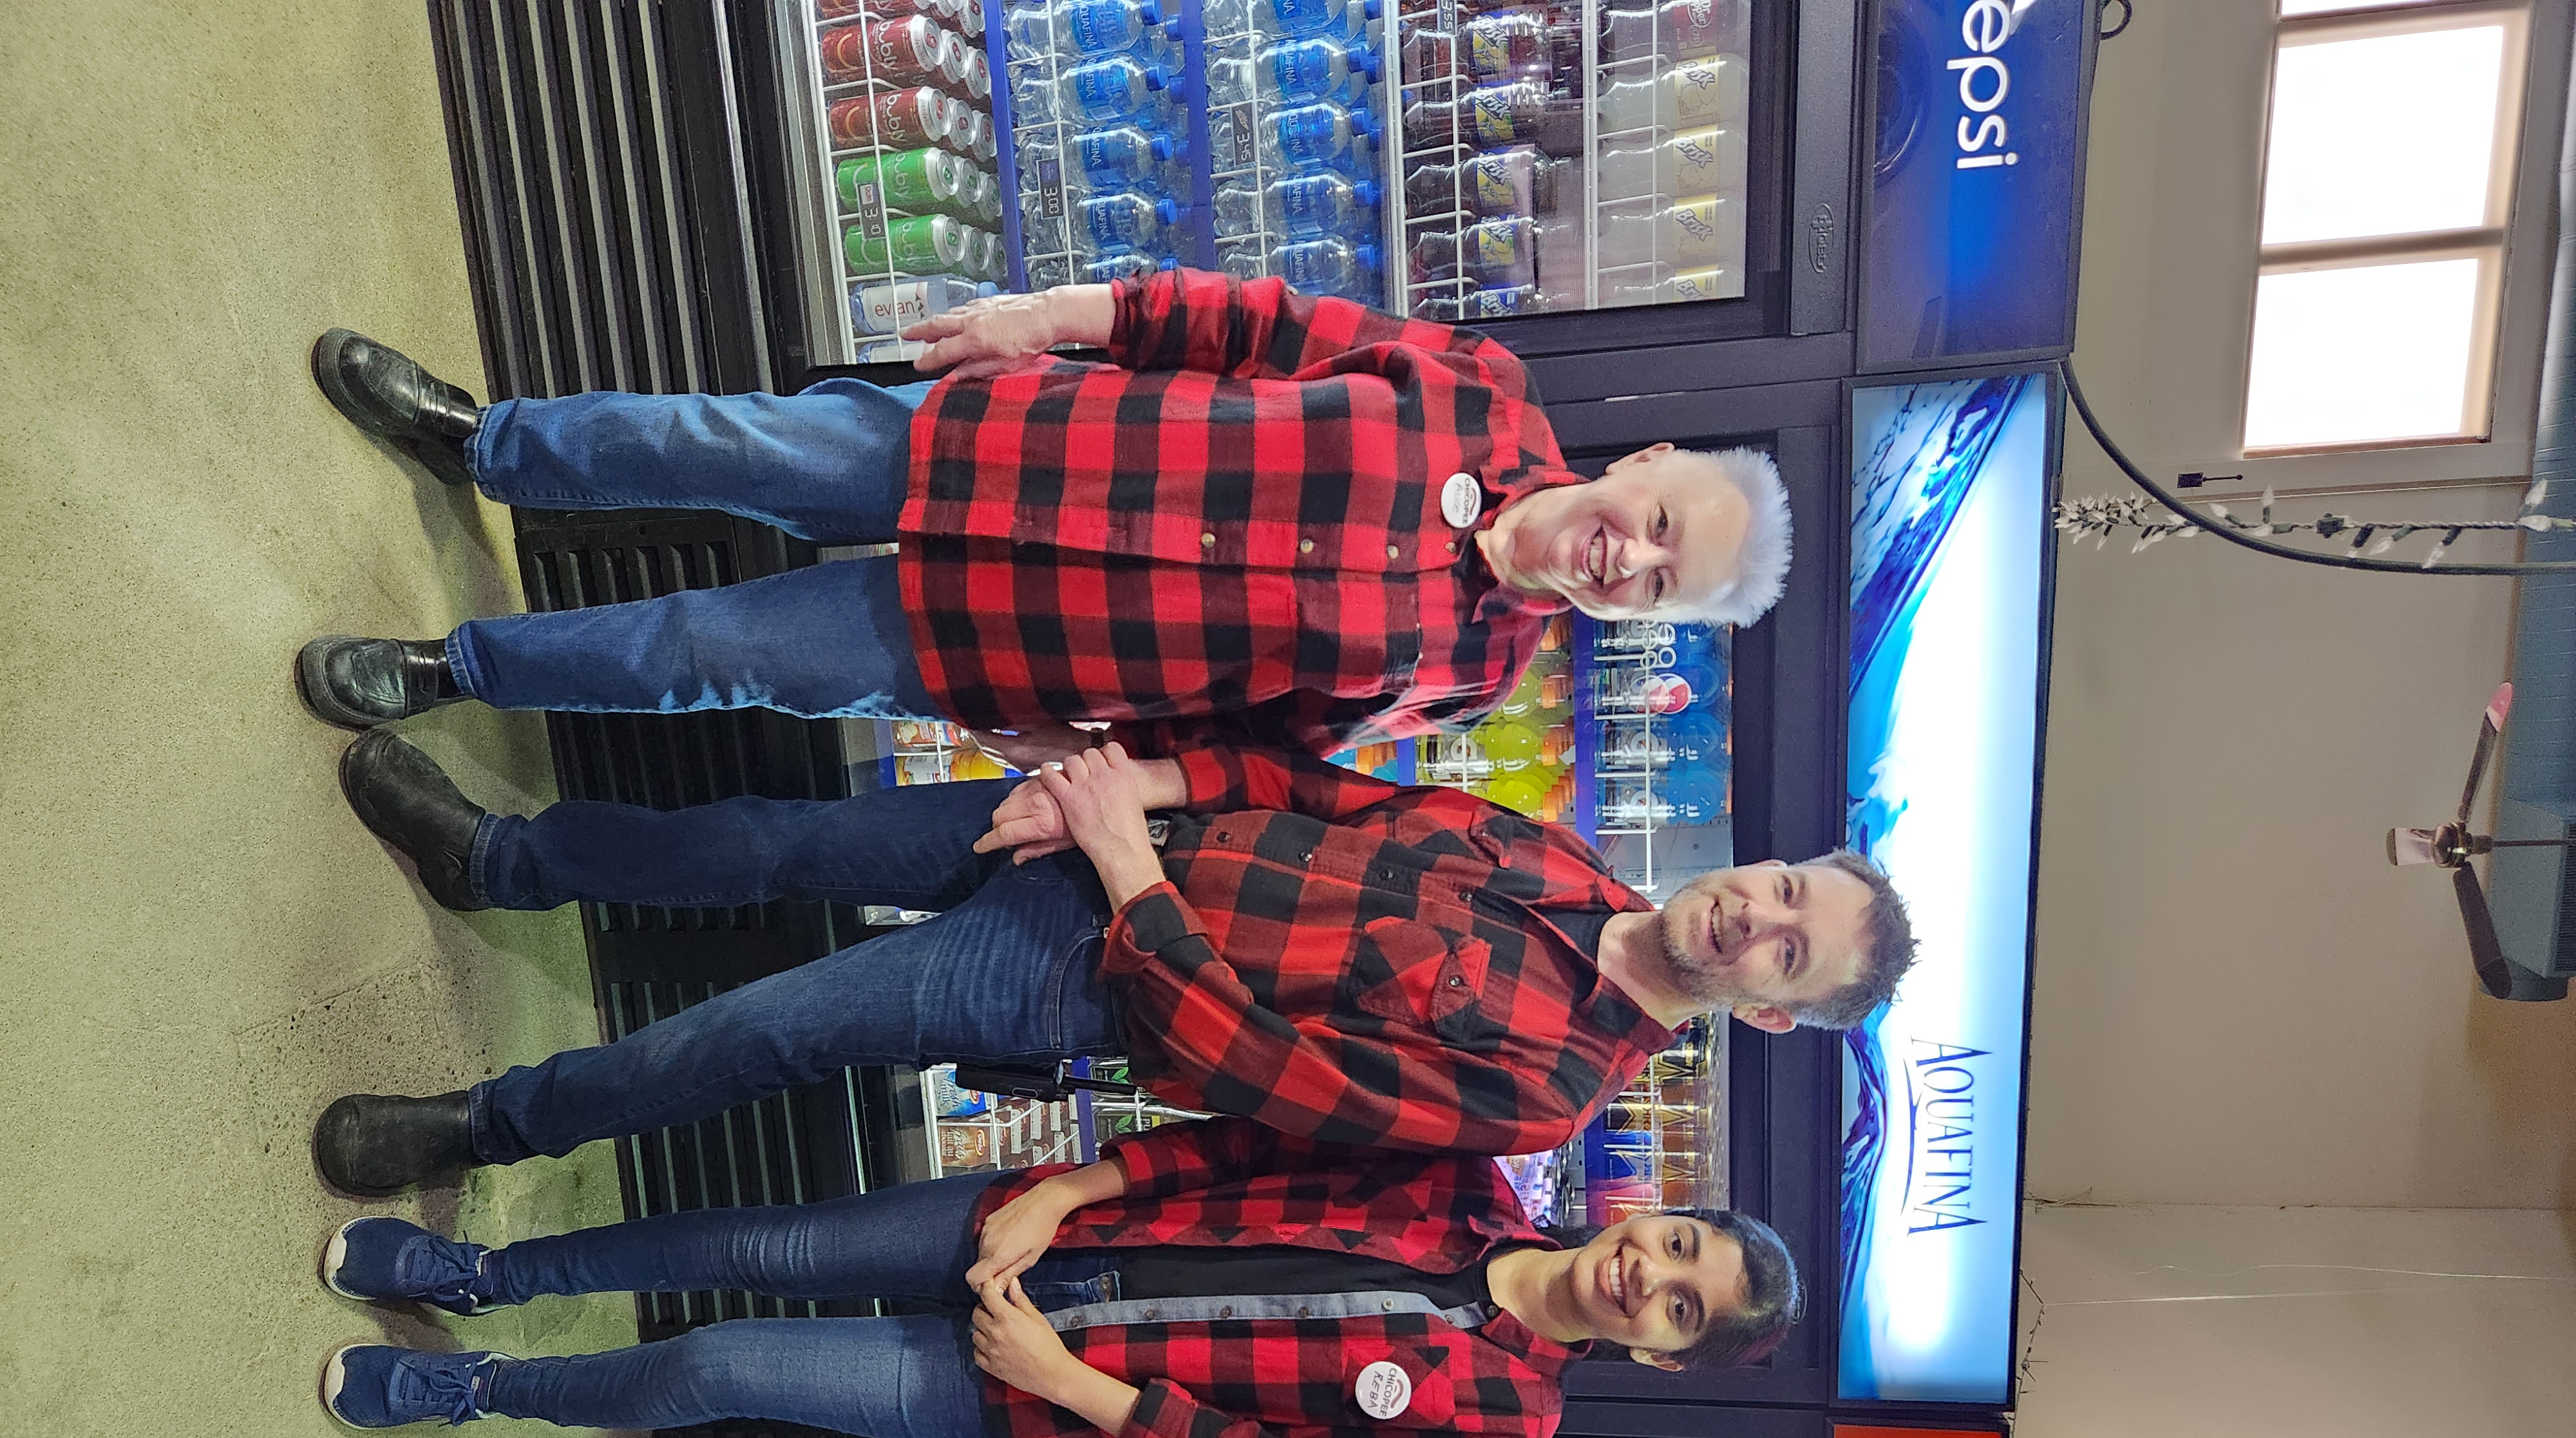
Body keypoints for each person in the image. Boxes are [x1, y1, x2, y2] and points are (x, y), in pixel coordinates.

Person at [314, 733, 1915, 1193]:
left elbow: (1270, 1076)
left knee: (761, 1030)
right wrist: (1131, 787)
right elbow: (1317, 793)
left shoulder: (1551, 1090)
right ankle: (498, 859)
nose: (1752, 916)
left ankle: (485, 1128)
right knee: (775, 836)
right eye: (1783, 887)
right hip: (1103, 829)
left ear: (1774, 1018)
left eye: (1786, 951)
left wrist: (1132, 876)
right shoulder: (1556, 856)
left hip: (1080, 974)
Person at [296, 269, 1794, 761]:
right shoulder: (1477, 384)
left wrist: (1069, 751)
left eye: (1661, 582)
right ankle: (484, 441)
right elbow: (1246, 322)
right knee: (724, 440)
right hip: (1012, 446)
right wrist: (1050, 315)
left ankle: (455, 670)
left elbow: (1248, 747)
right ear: (1650, 460)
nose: (1632, 556)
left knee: (708, 652)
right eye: (1662, 520)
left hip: (1002, 651)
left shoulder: (1469, 679)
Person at [316, 1116, 1803, 1438]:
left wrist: (1058, 1375)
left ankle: (472, 1388)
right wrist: (1069, 1191)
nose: (1649, 1274)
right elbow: (1234, 1151)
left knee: (716, 1363)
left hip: (1033, 1396)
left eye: (1679, 1307)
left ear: (1660, 1351)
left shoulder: (1503, 1429)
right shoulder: (1463, 1177)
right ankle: (480, 1274)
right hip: (1043, 1232)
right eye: (1676, 1245)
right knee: (760, 1238)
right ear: (1652, 1212)